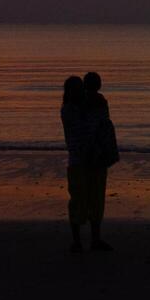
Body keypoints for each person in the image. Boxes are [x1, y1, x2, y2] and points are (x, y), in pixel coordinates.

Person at [60, 71, 118, 253]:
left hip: (96, 160)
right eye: (75, 90)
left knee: (96, 201)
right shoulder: (69, 109)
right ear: (69, 92)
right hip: (79, 162)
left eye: (80, 89)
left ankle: (95, 239)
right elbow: (85, 119)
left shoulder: (95, 105)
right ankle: (77, 242)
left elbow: (103, 122)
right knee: (78, 201)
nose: (79, 92)